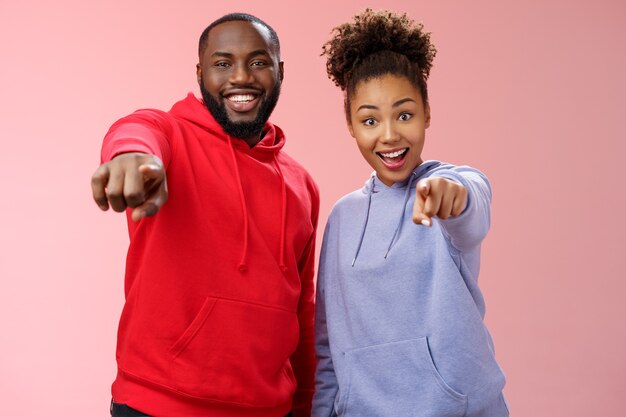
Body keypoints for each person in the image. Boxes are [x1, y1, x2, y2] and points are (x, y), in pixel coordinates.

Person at [91, 13, 318, 417]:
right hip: (158, 405)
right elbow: (136, 129)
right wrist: (132, 157)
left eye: (259, 62)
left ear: (280, 71)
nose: (241, 76)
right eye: (223, 63)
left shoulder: (302, 185)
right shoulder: (171, 136)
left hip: (271, 409)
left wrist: (305, 406)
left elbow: (302, 311)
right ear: (200, 73)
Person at [312, 9, 508, 417]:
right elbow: (328, 348)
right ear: (350, 124)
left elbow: (471, 207)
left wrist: (450, 197)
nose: (389, 135)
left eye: (404, 114)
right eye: (369, 119)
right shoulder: (342, 218)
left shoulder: (449, 183)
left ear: (427, 113)